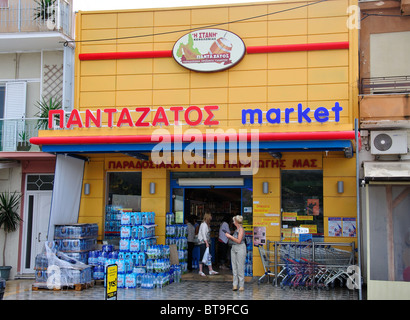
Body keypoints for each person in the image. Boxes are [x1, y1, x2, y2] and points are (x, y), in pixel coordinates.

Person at [225, 215, 246, 291]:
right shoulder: (236, 230)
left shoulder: (241, 230)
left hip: (240, 248)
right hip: (233, 248)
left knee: (240, 266)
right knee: (234, 267)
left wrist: (230, 236)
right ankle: (234, 284)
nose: (233, 222)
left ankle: (241, 285)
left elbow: (239, 240)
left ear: (237, 222)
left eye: (234, 221)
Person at [197, 212, 218, 276]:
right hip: (203, 242)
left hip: (207, 242)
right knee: (202, 255)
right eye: (211, 215)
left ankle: (210, 270)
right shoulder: (204, 225)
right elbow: (203, 234)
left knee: (208, 256)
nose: (212, 217)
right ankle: (200, 271)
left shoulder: (206, 224)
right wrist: (206, 242)